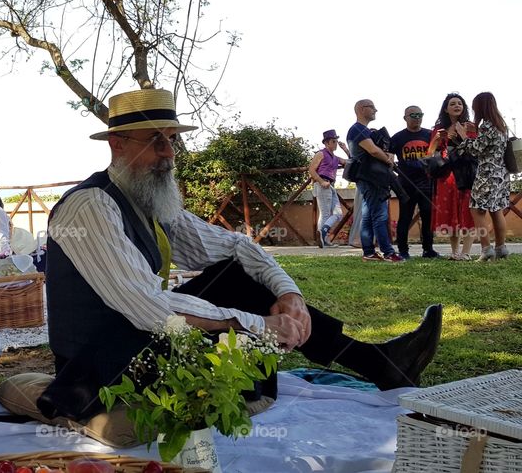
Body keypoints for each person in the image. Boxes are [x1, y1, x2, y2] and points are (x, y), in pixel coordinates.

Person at [37, 88, 442, 420]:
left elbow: (235, 246)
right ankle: (379, 362)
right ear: (117, 144)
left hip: (138, 342)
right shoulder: (91, 207)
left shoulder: (148, 200)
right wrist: (261, 324)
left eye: (172, 139)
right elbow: (148, 307)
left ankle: (378, 362)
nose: (168, 153)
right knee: (231, 299)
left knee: (232, 274)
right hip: (98, 369)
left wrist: (289, 296)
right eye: (155, 140)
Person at [453, 92, 511, 261]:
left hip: (487, 173)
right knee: (496, 210)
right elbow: (490, 144)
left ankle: (486, 249)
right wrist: (476, 130)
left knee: (476, 209)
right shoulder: (501, 125)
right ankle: (501, 248)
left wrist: (463, 135)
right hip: (501, 173)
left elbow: (476, 149)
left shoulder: (487, 124)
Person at [346, 99, 403, 262]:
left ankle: (369, 252)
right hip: (371, 178)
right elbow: (373, 150)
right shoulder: (358, 129)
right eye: (372, 107)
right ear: (362, 109)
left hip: (367, 177)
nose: (375, 110)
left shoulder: (361, 130)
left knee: (369, 215)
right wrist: (388, 159)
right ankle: (388, 252)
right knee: (379, 214)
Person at [427, 93, 476, 260]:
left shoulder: (470, 127)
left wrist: (464, 135)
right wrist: (437, 140)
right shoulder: (438, 130)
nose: (457, 106)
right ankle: (455, 252)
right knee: (450, 214)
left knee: (468, 212)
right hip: (446, 177)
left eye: (460, 103)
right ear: (446, 109)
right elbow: (430, 154)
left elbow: (476, 151)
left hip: (466, 174)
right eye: (453, 103)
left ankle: (466, 252)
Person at [390, 106, 439, 259]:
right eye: (413, 115)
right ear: (405, 117)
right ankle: (403, 251)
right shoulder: (397, 138)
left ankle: (428, 249)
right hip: (406, 183)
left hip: (427, 182)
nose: (417, 118)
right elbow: (389, 159)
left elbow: (437, 156)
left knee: (428, 217)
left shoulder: (429, 135)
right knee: (405, 217)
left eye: (420, 115)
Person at [307, 129, 348, 247]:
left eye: (336, 141)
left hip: (331, 185)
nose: (336, 144)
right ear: (327, 143)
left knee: (338, 214)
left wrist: (345, 149)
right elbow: (311, 170)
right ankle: (324, 240)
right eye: (333, 141)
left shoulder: (335, 157)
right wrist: (321, 181)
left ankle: (323, 234)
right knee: (325, 213)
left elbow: (350, 161)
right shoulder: (321, 153)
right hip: (322, 184)